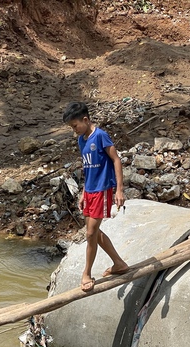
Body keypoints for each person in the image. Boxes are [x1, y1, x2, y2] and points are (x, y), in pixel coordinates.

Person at [62, 101, 129, 292]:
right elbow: (87, 168)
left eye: (75, 126)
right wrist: (83, 192)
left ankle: (87, 273)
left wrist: (119, 189)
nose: (74, 130)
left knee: (91, 233)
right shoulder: (81, 140)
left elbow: (116, 160)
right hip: (90, 190)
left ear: (85, 119)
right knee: (95, 232)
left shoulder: (100, 136)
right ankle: (119, 263)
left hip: (102, 190)